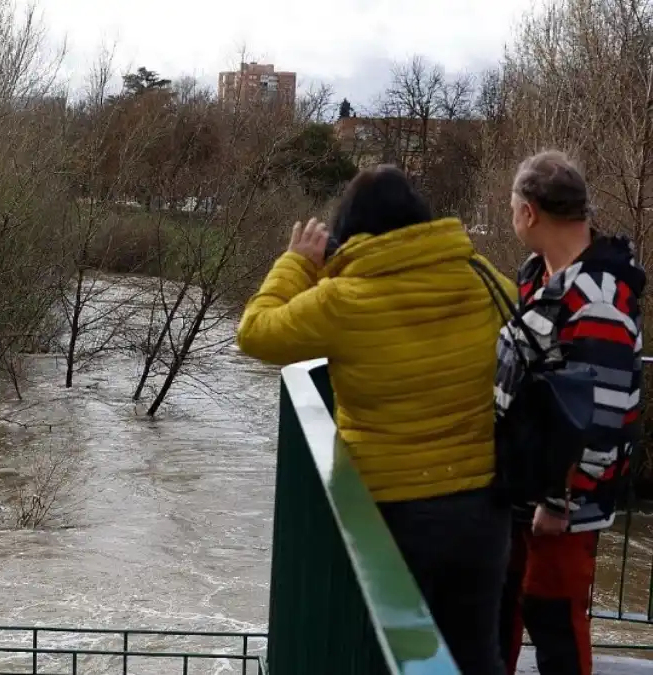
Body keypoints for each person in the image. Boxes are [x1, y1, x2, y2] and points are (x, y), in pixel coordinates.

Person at [236, 165, 512, 675]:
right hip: (482, 505)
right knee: (476, 655)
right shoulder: (480, 277)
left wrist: (298, 264)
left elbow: (256, 332)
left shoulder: (343, 300)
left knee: (402, 657)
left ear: (350, 230)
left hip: (393, 514)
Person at [496, 151, 645, 675]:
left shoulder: (598, 296)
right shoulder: (543, 276)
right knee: (505, 611)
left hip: (561, 504)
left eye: (513, 205)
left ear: (529, 212)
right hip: (525, 487)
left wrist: (560, 501)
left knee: (554, 621)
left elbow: (599, 412)